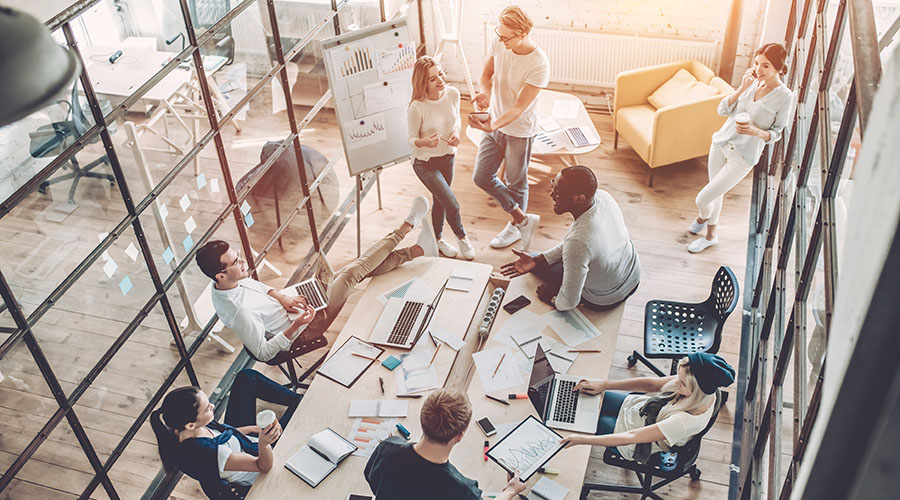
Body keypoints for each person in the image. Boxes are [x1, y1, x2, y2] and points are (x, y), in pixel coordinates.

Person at [196, 195, 437, 362]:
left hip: (294, 307)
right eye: (236, 262)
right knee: (351, 274)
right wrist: (297, 324)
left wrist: (280, 296)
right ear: (221, 274)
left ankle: (418, 251)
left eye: (238, 256)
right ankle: (407, 227)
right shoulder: (238, 311)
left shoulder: (227, 282)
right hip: (305, 327)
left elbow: (258, 288)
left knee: (351, 273)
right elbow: (263, 353)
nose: (243, 261)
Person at [689, 42, 794, 253]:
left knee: (703, 198)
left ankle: (703, 216)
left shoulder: (785, 97)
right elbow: (722, 110)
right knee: (715, 193)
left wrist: (755, 132)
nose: (758, 69)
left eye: (765, 65)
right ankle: (711, 235)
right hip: (721, 143)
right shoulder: (752, 82)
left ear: (778, 67)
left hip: (743, 156)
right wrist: (741, 88)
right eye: (756, 63)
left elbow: (777, 133)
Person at [500, 165, 640, 311]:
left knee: (552, 278)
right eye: (553, 185)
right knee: (536, 260)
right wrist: (540, 259)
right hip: (632, 274)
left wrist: (554, 300)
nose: (552, 194)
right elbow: (578, 246)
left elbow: (569, 302)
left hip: (606, 297)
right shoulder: (604, 197)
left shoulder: (579, 241)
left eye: (558, 192)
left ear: (579, 198)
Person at [469, 5, 550, 251]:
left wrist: (493, 124)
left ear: (523, 33)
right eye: (499, 34)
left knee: (516, 182)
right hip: (496, 124)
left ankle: (515, 228)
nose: (500, 39)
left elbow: (518, 108)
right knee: (481, 176)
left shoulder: (539, 63)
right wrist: (484, 93)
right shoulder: (500, 42)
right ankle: (522, 219)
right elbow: (486, 73)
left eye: (506, 37)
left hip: (519, 130)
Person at [559, 353, 734, 464]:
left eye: (681, 383)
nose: (675, 383)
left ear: (695, 391)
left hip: (634, 436)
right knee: (581, 397)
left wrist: (581, 439)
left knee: (577, 421)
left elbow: (631, 436)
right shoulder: (706, 387)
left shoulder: (683, 421)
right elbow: (651, 384)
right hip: (639, 409)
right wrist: (604, 384)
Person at [150, 369, 300, 490]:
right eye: (207, 409)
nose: (213, 407)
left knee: (247, 377)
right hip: (260, 462)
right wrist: (264, 444)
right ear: (190, 424)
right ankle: (300, 402)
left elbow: (226, 434)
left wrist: (251, 428)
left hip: (243, 443)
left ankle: (298, 401)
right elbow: (263, 466)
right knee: (299, 409)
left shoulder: (183, 430)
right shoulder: (211, 453)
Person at [364, 389, 526, 500]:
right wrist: (511, 490)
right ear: (460, 436)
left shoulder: (388, 448)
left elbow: (371, 477)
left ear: (423, 420)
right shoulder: (462, 490)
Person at [408, 56, 476, 260]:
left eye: (441, 74)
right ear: (422, 83)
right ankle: (462, 237)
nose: (440, 80)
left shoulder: (453, 94)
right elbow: (411, 140)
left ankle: (436, 241)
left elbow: (457, 120)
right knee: (451, 203)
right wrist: (425, 142)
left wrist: (456, 135)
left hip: (447, 157)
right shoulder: (417, 107)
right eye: (432, 79)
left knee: (440, 200)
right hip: (425, 162)